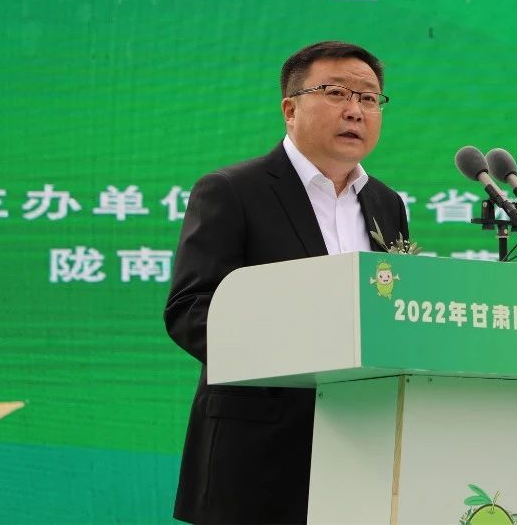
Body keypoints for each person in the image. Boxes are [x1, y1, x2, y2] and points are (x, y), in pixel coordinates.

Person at [164, 41, 409, 524]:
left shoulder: (387, 204)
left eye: (369, 98)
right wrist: (302, 353)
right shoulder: (233, 191)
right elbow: (191, 310)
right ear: (290, 109)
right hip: (258, 453)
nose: (355, 111)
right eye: (336, 93)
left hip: (365, 445)